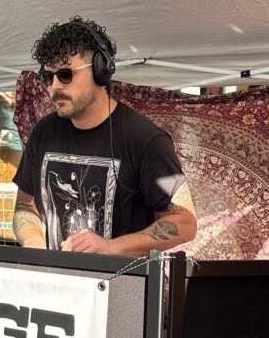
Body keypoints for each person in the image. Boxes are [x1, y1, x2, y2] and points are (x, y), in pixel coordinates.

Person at [12, 17, 196, 254]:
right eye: (48, 77)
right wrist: (34, 245)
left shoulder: (146, 140)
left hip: (120, 287)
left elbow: (185, 222)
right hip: (59, 285)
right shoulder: (43, 132)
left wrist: (111, 247)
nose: (55, 86)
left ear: (101, 72)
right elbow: (25, 206)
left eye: (66, 74)